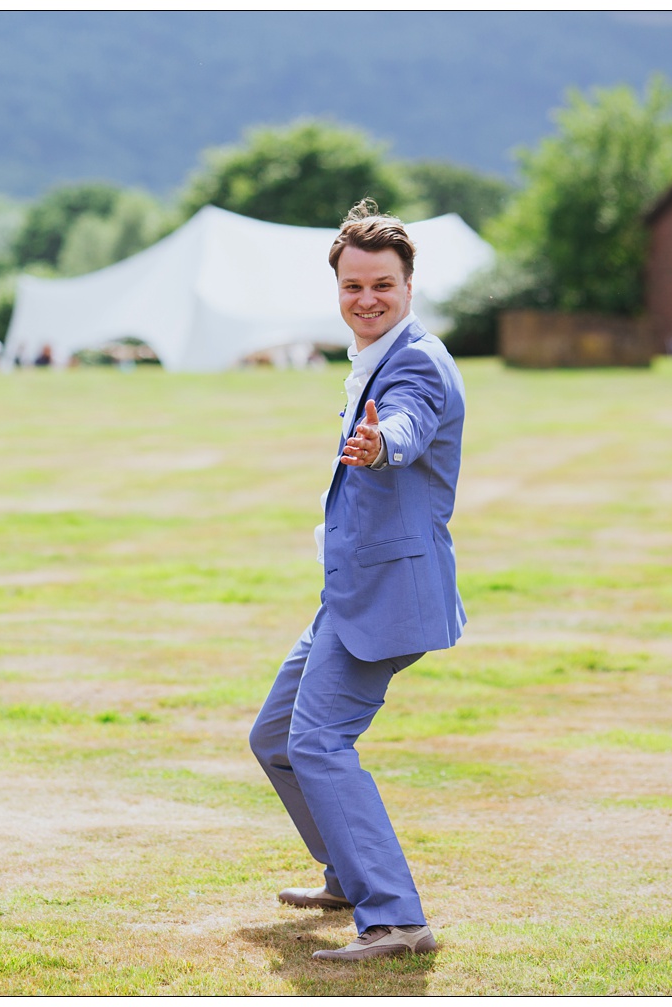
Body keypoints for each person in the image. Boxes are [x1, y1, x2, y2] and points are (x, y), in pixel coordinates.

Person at [248, 199, 466, 962]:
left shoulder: (415, 364)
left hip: (386, 593)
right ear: (337, 289)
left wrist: (380, 446)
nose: (366, 299)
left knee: (319, 740)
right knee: (274, 736)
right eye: (352, 287)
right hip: (348, 589)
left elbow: (406, 426)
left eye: (382, 285)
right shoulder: (374, 358)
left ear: (409, 286)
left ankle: (396, 917)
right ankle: (347, 874)